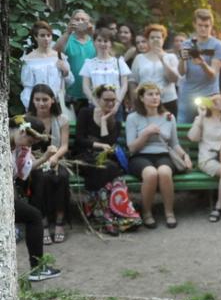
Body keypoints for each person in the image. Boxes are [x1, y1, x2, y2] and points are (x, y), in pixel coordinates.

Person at [73, 85, 142, 235]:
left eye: (113, 100)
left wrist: (104, 121)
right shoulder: (85, 113)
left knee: (108, 168)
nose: (110, 104)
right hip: (84, 156)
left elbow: (109, 144)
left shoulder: (115, 121)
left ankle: (104, 214)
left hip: (104, 159)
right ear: (97, 99)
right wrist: (99, 144)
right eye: (106, 100)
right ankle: (104, 216)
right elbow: (79, 140)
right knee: (105, 168)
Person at [126, 82, 193, 229]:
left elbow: (175, 144)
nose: (155, 97)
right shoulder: (133, 118)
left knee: (164, 172)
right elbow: (131, 148)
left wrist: (185, 156)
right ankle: (146, 213)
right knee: (150, 174)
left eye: (157, 94)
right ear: (142, 98)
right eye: (150, 94)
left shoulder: (168, 117)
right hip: (140, 156)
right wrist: (146, 133)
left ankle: (169, 212)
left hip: (163, 154)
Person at [11, 115, 62, 281]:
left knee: (33, 216)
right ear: (22, 130)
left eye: (32, 144)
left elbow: (24, 172)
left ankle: (38, 268)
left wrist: (46, 157)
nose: (28, 145)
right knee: (33, 216)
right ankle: (37, 268)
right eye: (29, 140)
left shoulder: (22, 149)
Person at [27, 84, 71, 245]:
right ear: (33, 101)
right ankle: (43, 222)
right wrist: (39, 160)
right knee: (41, 178)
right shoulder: (27, 119)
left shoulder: (61, 120)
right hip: (34, 160)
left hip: (57, 158)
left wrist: (54, 158)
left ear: (52, 100)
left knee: (62, 177)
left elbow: (64, 145)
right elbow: (25, 147)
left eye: (45, 99)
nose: (41, 103)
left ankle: (60, 222)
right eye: (37, 99)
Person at [188, 94, 221, 222]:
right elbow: (192, 137)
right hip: (208, 158)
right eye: (212, 100)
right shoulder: (202, 119)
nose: (215, 102)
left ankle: (219, 206)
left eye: (218, 100)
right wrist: (200, 117)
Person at [178, 8, 221, 124]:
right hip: (187, 95)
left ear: (211, 26)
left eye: (206, 26)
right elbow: (181, 72)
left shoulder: (217, 45)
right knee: (183, 128)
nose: (203, 29)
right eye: (200, 25)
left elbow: (214, 75)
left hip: (209, 95)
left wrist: (202, 63)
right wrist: (182, 59)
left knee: (209, 129)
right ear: (194, 25)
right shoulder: (186, 44)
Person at [21, 21, 74, 111]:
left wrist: (66, 72)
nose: (46, 39)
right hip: (38, 106)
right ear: (35, 37)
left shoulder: (59, 56)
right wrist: (30, 107)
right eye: (42, 35)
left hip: (56, 104)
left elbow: (70, 81)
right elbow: (28, 88)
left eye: (48, 35)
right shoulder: (29, 60)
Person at [129, 24, 181, 116]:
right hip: (144, 102)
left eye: (158, 37)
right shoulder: (139, 58)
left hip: (167, 101)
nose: (155, 40)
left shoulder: (171, 57)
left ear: (163, 40)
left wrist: (162, 59)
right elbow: (133, 81)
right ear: (148, 40)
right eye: (152, 37)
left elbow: (174, 79)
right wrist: (134, 101)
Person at [54, 9, 96, 115]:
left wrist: (93, 33)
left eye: (83, 19)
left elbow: (107, 54)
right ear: (71, 21)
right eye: (77, 19)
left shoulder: (95, 41)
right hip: (71, 93)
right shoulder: (67, 39)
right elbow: (54, 53)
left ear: (89, 22)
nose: (80, 22)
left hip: (92, 93)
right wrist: (67, 32)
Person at [79, 28, 130, 111]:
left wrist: (117, 104)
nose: (102, 44)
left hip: (115, 105)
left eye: (106, 41)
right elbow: (86, 87)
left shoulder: (119, 62)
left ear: (110, 44)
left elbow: (124, 85)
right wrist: (96, 105)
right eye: (99, 40)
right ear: (94, 43)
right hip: (95, 105)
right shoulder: (89, 63)